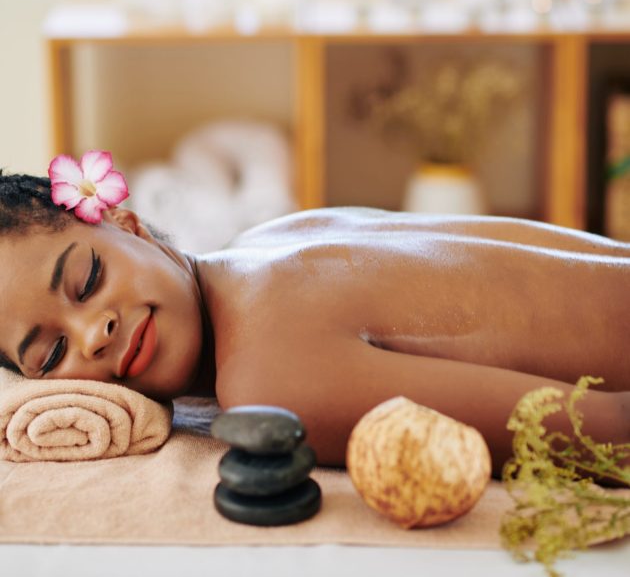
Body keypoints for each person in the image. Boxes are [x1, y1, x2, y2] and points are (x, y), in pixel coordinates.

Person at [0, 171, 628, 476]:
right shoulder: (274, 235)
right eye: (52, 355)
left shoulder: (267, 379)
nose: (93, 332)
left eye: (86, 282)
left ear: (127, 224)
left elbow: (606, 432)